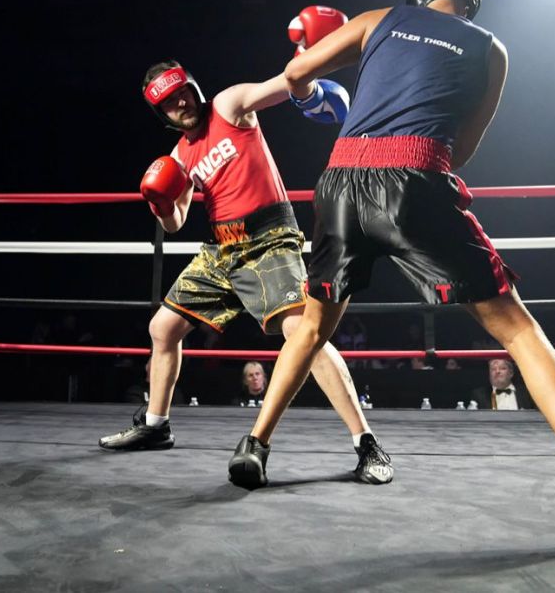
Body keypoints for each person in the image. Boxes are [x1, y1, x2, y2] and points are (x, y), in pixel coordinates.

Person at [228, 0, 555, 533]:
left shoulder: (377, 19)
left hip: (338, 181)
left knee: (312, 326)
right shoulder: (491, 49)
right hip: (414, 178)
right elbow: (460, 152)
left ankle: (255, 445)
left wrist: (318, 97)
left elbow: (295, 75)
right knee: (516, 329)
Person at [98, 57, 393, 485]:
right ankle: (156, 425)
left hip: (269, 239)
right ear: (161, 113)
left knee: (303, 333)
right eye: (169, 102)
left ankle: (366, 443)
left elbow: (286, 83)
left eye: (182, 92)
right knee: (162, 328)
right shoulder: (179, 156)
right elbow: (175, 222)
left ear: (193, 88)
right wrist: (159, 201)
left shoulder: (229, 105)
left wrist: (309, 84)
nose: (180, 103)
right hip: (222, 249)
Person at [470, 358, 535, 410]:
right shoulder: (479, 395)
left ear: (511, 373)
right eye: (493, 369)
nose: (497, 371)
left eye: (502, 368)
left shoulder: (527, 393)